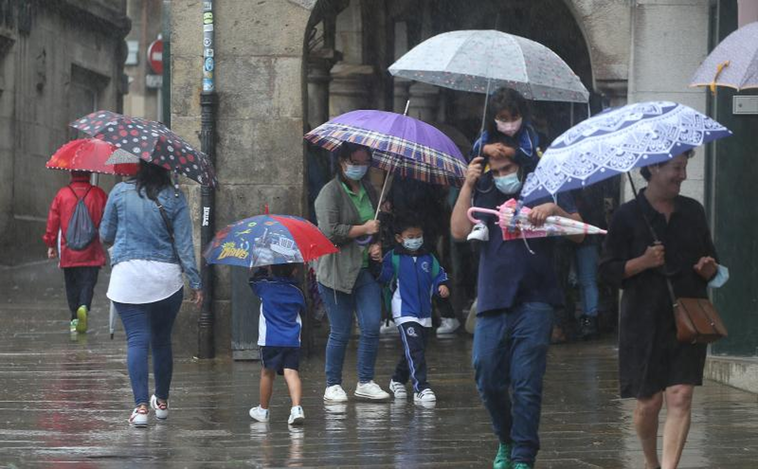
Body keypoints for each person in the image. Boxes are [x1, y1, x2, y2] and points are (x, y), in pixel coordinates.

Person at [451, 88, 585, 469]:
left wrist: (554, 208)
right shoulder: (482, 182)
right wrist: (467, 183)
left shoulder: (548, 177)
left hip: (537, 296)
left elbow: (578, 233)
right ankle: (506, 439)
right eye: (496, 166)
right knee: (487, 375)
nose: (503, 172)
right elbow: (459, 231)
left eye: (508, 166)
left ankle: (524, 454)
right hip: (493, 295)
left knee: (526, 381)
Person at [598, 150, 728, 469]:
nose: (682, 175)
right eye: (676, 168)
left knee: (681, 395)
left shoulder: (693, 211)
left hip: (687, 317)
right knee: (649, 403)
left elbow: (712, 262)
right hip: (642, 321)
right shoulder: (626, 216)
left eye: (684, 167)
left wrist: (708, 267)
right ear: (653, 168)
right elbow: (607, 271)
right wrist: (641, 262)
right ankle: (650, 461)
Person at [100, 161, 203, 428]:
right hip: (165, 279)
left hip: (128, 277)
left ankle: (141, 406)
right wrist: (196, 282)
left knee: (136, 340)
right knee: (161, 341)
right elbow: (184, 245)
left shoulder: (119, 192)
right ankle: (163, 402)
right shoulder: (175, 197)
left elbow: (105, 234)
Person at [314, 142, 390, 402]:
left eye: (364, 162)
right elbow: (329, 232)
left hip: (364, 269)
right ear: (342, 162)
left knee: (371, 325)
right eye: (354, 162)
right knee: (340, 330)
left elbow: (376, 226)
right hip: (336, 272)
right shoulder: (329, 193)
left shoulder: (370, 189)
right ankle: (332, 383)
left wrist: (376, 242)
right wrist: (363, 230)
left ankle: (365, 380)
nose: (360, 167)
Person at [378, 215, 449, 403]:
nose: (415, 239)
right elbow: (383, 279)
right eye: (411, 236)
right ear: (399, 238)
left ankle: (397, 379)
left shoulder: (428, 257)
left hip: (424, 312)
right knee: (415, 348)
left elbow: (438, 275)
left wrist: (441, 285)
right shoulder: (393, 257)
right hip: (403, 310)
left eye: (419, 235)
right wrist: (377, 262)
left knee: (416, 348)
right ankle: (421, 388)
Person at [43, 171, 108, 334]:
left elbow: (53, 221)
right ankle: (84, 306)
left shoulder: (62, 194)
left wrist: (51, 244)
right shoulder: (98, 193)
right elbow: (107, 221)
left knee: (71, 285)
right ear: (89, 173)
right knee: (88, 283)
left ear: (72, 173)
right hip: (91, 250)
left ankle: (74, 319)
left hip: (68, 250)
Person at [248, 264, 306, 426]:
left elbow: (252, 282)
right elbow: (304, 308)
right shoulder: (297, 291)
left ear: (271, 269)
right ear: (294, 270)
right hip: (292, 340)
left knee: (267, 373)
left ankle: (263, 410)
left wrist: (261, 269)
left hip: (270, 339)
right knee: (291, 373)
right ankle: (296, 408)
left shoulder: (264, 287)